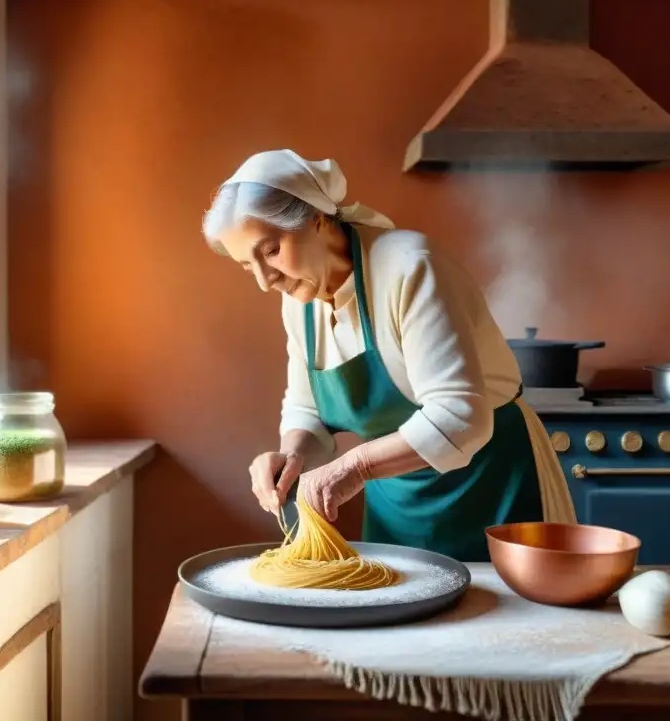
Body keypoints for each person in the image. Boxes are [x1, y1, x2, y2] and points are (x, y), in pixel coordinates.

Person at [201, 149, 576, 562]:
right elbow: (307, 410)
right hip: (395, 498)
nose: (263, 280)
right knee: (401, 614)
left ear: (316, 218)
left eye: (270, 251)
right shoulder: (299, 299)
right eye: (245, 265)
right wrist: (292, 456)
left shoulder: (409, 268)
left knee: (506, 623)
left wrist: (355, 467)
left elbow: (460, 417)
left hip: (494, 483)